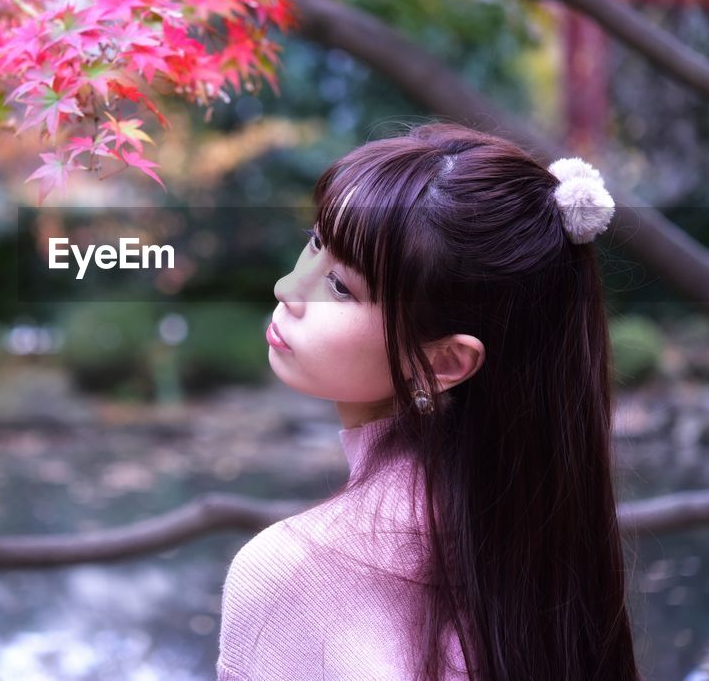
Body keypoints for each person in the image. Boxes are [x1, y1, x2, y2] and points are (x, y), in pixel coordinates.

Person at [216, 122, 641, 680]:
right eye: (316, 241)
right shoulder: (539, 553)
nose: (288, 289)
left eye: (341, 287)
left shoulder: (293, 574)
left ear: (444, 362)